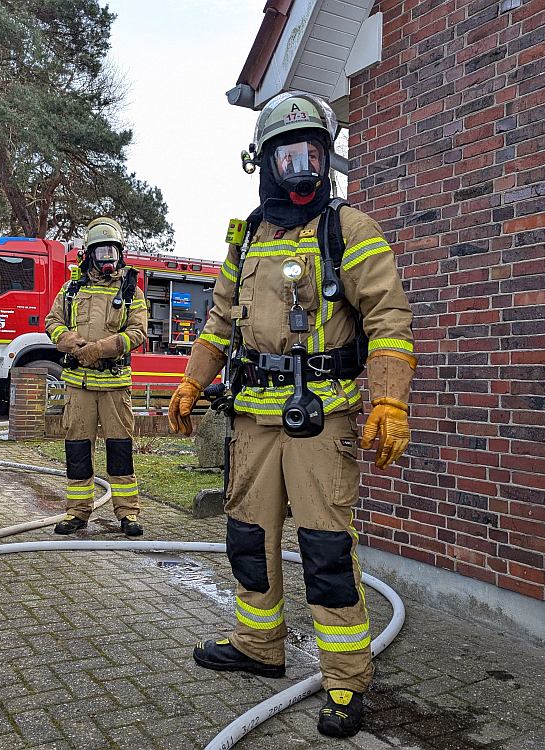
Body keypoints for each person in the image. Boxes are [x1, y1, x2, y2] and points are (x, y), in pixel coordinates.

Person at [168, 92, 415, 739]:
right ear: (265, 163)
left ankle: (344, 679)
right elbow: (220, 321)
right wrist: (191, 383)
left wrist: (388, 398)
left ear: (326, 158)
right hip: (250, 418)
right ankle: (258, 646)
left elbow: (389, 319)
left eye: (311, 152)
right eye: (287, 154)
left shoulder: (349, 229)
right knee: (247, 538)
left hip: (322, 415)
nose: (299, 166)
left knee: (326, 551)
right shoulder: (245, 235)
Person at [44, 217, 149, 537]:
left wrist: (102, 348)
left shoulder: (131, 291)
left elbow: (139, 332)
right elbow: (52, 322)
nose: (108, 259)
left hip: (115, 386)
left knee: (119, 451)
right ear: (89, 254)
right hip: (79, 385)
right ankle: (77, 512)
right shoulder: (71, 289)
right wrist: (74, 345)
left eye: (112, 253)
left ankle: (127, 514)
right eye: (102, 253)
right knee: (77, 450)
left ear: (121, 254)